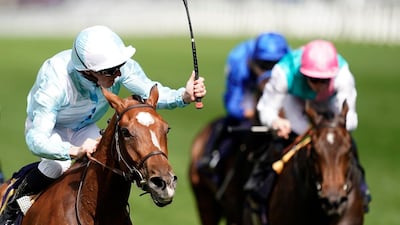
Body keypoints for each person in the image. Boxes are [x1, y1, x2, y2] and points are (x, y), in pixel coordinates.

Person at [0, 25, 206, 225]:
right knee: (57, 166)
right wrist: (74, 150)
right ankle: (15, 205)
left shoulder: (115, 67)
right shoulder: (54, 79)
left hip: (85, 127)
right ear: (88, 71)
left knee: (108, 163)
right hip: (51, 129)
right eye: (111, 71)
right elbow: (36, 140)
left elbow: (149, 91)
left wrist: (184, 96)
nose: (118, 74)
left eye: (119, 67)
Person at [245, 39, 371, 225]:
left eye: (324, 80)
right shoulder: (284, 72)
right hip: (295, 101)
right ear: (303, 74)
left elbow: (350, 119)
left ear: (332, 76)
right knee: (277, 144)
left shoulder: (343, 76)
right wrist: (276, 122)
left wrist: (329, 128)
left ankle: (362, 189)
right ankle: (259, 188)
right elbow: (266, 109)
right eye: (313, 79)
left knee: (343, 145)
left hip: (330, 107)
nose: (318, 85)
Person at [198, 32, 290, 174]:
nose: (270, 71)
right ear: (252, 61)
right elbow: (233, 106)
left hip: (272, 84)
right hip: (249, 85)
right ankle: (213, 156)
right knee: (238, 121)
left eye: (275, 64)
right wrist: (256, 112)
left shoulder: (291, 61)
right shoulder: (239, 63)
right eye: (264, 65)